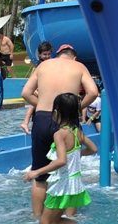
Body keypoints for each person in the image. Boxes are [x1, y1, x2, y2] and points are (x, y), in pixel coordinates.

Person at [21, 43, 99, 220]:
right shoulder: (78, 66)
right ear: (74, 57)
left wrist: (41, 105)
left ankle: (38, 216)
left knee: (40, 174)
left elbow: (26, 92)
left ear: (57, 54)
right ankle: (69, 218)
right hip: (68, 121)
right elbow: (93, 92)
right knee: (71, 170)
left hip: (41, 119)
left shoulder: (43, 65)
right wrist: (76, 109)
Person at [21, 93, 96, 224]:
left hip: (62, 186)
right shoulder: (77, 131)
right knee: (56, 221)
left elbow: (61, 161)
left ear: (55, 112)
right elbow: (93, 149)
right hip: (74, 184)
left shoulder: (59, 134)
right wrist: (76, 153)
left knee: (45, 222)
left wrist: (36, 172)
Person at [21, 41, 54, 135]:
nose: (47, 56)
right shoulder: (40, 66)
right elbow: (34, 79)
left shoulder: (47, 64)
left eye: (49, 54)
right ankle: (25, 123)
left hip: (43, 92)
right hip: (40, 93)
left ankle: (26, 123)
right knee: (34, 107)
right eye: (45, 54)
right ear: (39, 54)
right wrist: (36, 91)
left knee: (35, 109)